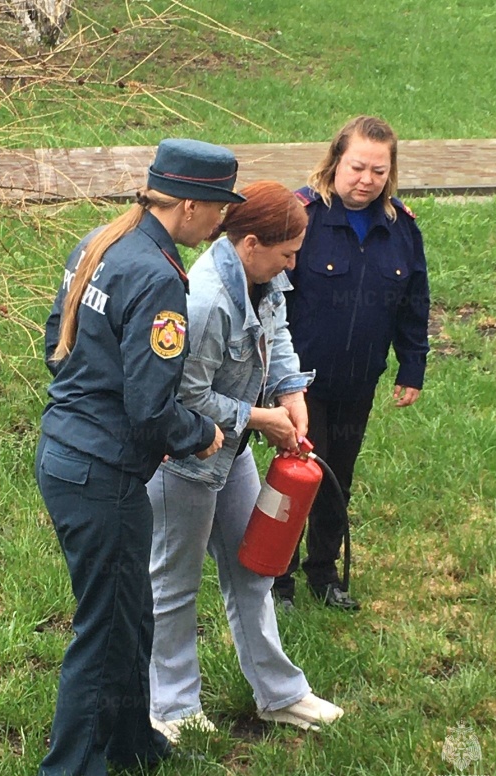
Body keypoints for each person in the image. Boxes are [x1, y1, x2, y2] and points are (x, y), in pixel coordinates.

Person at [36, 138, 245, 776]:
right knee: (105, 625)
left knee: (131, 612)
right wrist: (204, 432)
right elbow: (151, 408)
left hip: (67, 454)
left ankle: (132, 743)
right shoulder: (158, 276)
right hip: (101, 473)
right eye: (218, 209)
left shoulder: (102, 239)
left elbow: (55, 342)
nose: (223, 223)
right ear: (188, 205)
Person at [147, 181, 345, 743]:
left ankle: (280, 695)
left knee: (256, 567)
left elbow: (277, 334)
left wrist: (290, 392)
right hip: (183, 459)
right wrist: (263, 420)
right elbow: (186, 399)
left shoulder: (266, 276)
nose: (294, 265)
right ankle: (174, 707)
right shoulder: (204, 301)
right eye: (287, 254)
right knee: (174, 585)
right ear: (250, 243)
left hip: (230, 455)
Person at [273, 115, 430, 612]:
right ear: (336, 159)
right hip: (300, 384)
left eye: (379, 171)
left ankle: (324, 573)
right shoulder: (301, 216)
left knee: (338, 477)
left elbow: (414, 302)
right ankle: (279, 580)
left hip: (359, 381)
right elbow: (269, 301)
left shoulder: (400, 228)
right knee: (293, 476)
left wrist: (412, 367)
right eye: (358, 166)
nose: (366, 179)